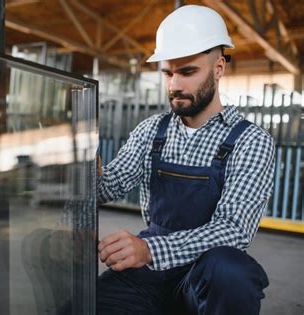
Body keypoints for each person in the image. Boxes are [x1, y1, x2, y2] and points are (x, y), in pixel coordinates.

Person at [96, 5, 274, 315]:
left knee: (232, 271)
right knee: (88, 304)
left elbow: (233, 230)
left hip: (203, 275)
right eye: (168, 72)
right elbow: (108, 187)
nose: (175, 84)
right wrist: (86, 163)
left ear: (218, 68)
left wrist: (150, 249)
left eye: (188, 71)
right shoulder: (152, 130)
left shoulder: (251, 141)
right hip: (150, 270)